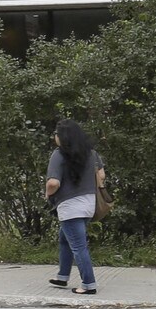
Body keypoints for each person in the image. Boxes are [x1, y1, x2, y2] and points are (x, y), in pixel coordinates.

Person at [45, 118, 104, 295]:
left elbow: (53, 182)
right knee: (65, 239)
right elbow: (101, 175)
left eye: (56, 134)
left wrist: (47, 193)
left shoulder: (59, 154)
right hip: (89, 204)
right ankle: (62, 276)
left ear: (63, 136)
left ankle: (88, 284)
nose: (55, 137)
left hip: (70, 206)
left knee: (78, 246)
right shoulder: (91, 153)